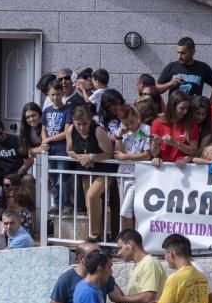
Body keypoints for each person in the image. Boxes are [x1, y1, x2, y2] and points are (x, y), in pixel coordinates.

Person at [67, 105, 115, 242]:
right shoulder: (70, 130)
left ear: (90, 120)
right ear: (73, 121)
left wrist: (92, 157)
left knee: (92, 195)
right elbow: (69, 150)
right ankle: (101, 236)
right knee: (90, 203)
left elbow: (109, 153)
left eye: (85, 124)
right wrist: (81, 158)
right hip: (86, 169)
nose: (82, 128)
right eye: (78, 124)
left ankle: (94, 235)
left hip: (104, 170)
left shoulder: (98, 131)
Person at [115, 105, 152, 229]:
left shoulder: (146, 130)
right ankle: (128, 240)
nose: (130, 126)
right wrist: (119, 136)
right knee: (125, 212)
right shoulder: (123, 132)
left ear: (137, 116)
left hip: (137, 176)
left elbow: (147, 155)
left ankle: (130, 241)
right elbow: (118, 153)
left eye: (132, 122)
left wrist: (126, 157)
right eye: (126, 123)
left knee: (126, 212)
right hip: (122, 176)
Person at [42, 79, 74, 212]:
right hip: (50, 151)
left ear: (62, 94)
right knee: (52, 178)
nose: (55, 97)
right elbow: (43, 129)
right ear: (48, 95)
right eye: (52, 95)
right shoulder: (46, 111)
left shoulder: (67, 109)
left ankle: (66, 204)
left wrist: (49, 139)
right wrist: (45, 141)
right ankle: (56, 203)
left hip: (61, 150)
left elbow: (67, 132)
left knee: (62, 178)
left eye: (58, 94)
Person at [156, 37, 212, 101]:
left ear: (193, 52)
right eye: (178, 52)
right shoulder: (171, 67)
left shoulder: (203, 67)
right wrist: (169, 84)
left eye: (183, 53)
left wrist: (208, 105)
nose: (179, 56)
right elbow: (156, 89)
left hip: (194, 109)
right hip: (174, 110)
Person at [150, 91, 199, 164]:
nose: (185, 112)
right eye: (182, 108)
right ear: (172, 107)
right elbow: (154, 153)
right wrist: (156, 144)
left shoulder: (191, 124)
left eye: (187, 108)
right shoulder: (157, 123)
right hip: (164, 168)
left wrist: (176, 144)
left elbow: (194, 151)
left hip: (184, 167)